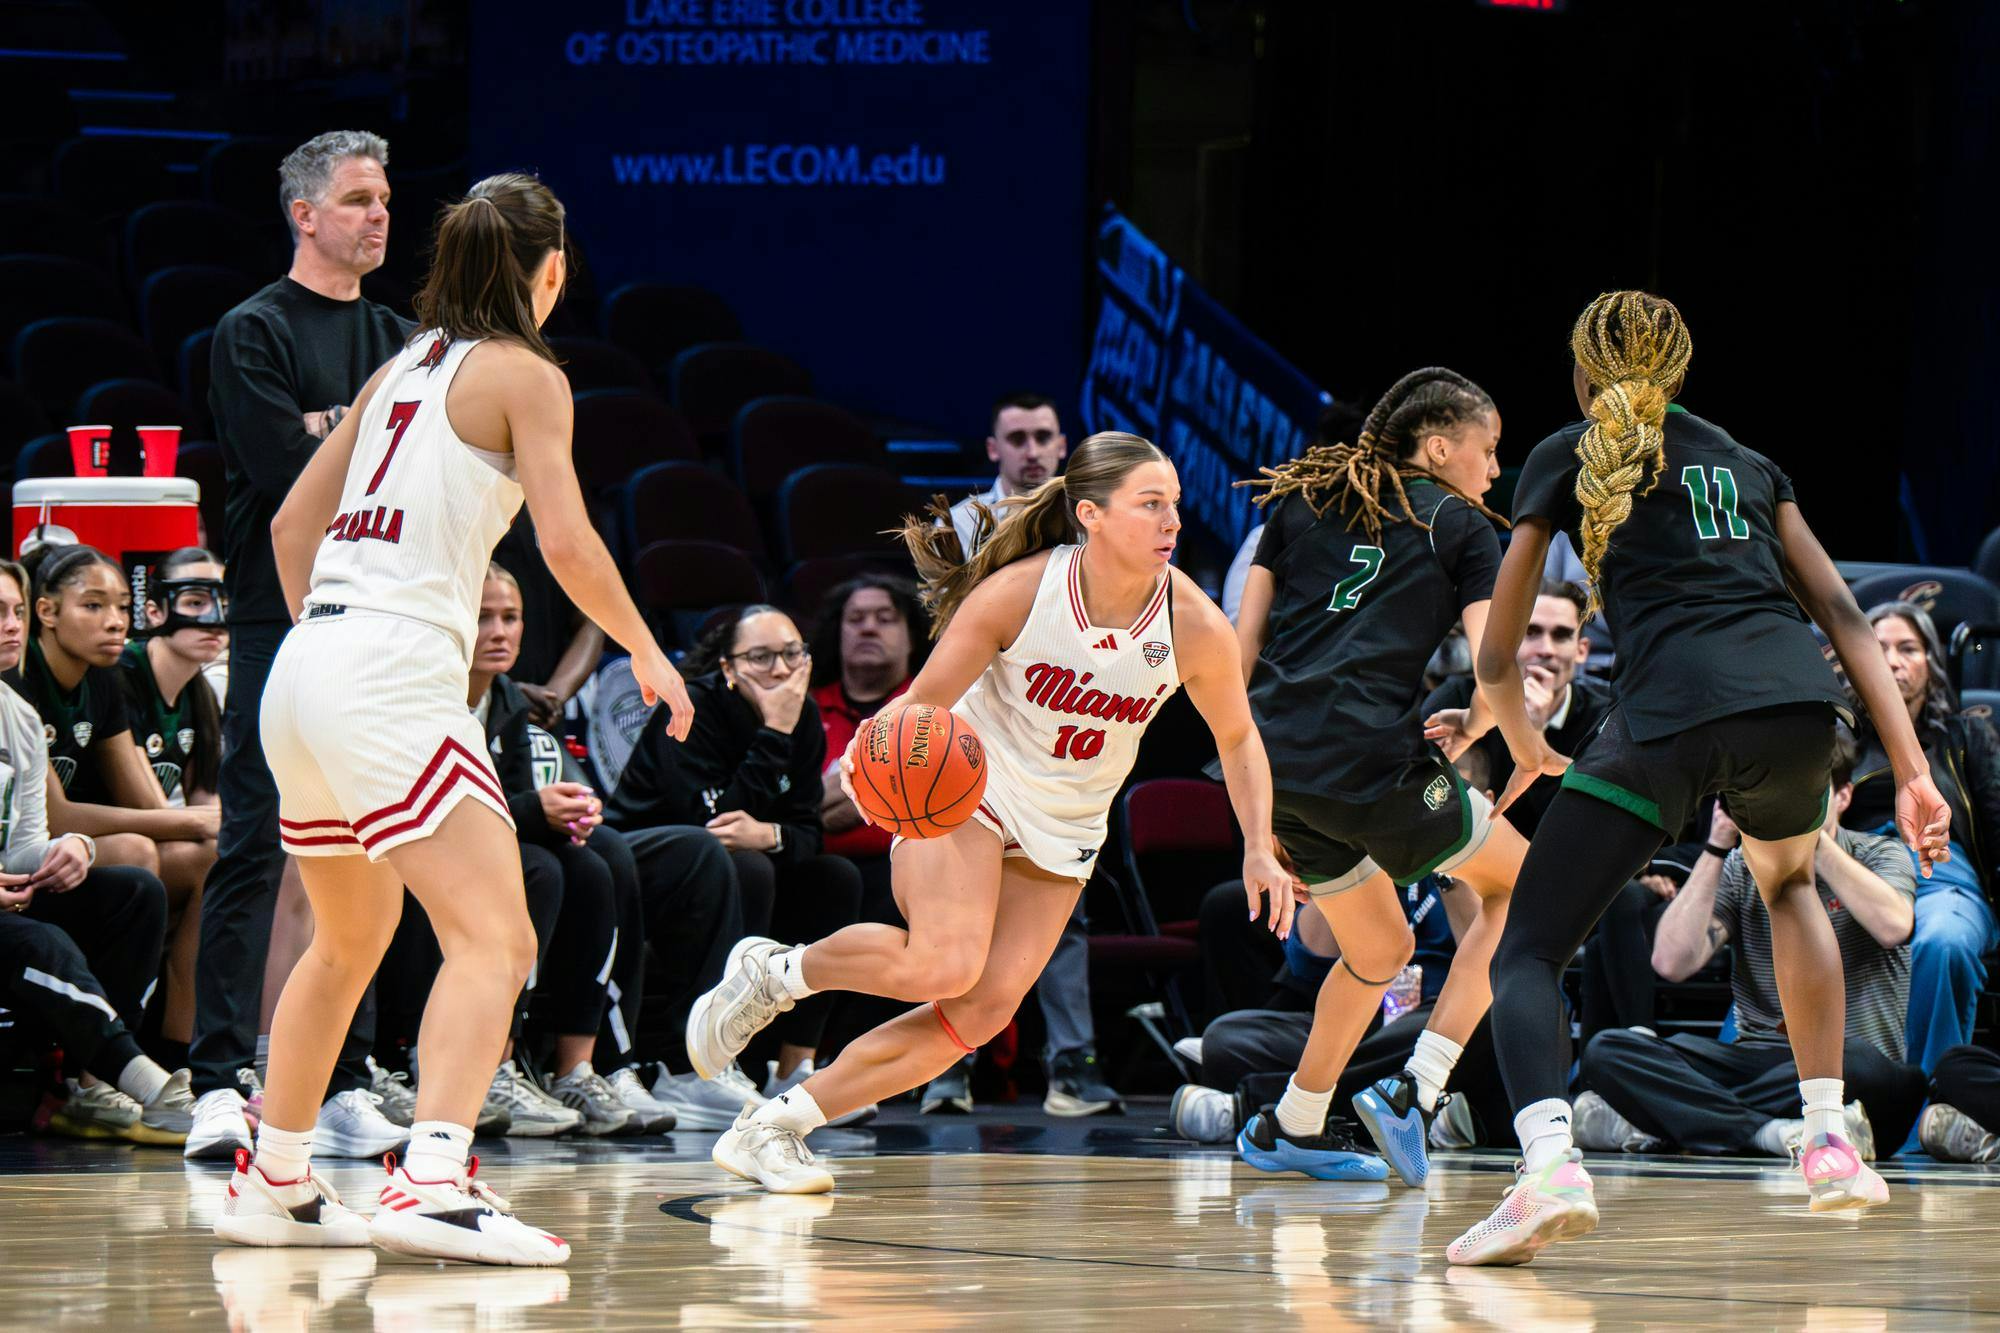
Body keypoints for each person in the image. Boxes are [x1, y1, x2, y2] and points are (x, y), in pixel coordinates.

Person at [211, 172, 692, 1264]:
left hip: (311, 661)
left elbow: (293, 521)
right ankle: (430, 1178)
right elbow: (566, 545)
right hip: (385, 669)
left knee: (349, 937)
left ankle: (276, 1179)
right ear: (551, 271)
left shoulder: (398, 366)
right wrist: (651, 652)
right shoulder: (527, 373)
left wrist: (329, 643)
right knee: (496, 933)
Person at [1450, 290, 1949, 1266]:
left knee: (1527, 950)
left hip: (1668, 715)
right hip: (1795, 710)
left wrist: (1524, 748)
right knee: (1790, 879)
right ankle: (1828, 1141)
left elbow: (1498, 653)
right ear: (1680, 374)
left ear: (1581, 373)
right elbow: (1846, 617)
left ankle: (1547, 1166)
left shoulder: (1562, 452)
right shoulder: (1747, 460)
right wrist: (1915, 768)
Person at [686, 429, 1291, 1193]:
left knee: (980, 1011)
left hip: (1068, 821)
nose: (1173, 521)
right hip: (969, 785)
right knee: (944, 960)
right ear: (1090, 514)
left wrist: (1258, 846)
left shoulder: (1193, 623)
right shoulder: (1022, 591)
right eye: (1150, 504)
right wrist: (877, 768)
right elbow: (922, 707)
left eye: (1174, 503)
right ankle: (777, 971)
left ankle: (775, 1123)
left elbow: (1238, 737)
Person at [1230, 366, 1528, 1188]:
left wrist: (1255, 804)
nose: (1495, 469)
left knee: (1382, 946)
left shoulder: (1297, 504)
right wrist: (1495, 729)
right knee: (1525, 891)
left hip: (1278, 765)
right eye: (1489, 449)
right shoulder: (1463, 525)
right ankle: (1416, 1087)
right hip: (1368, 763)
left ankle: (1290, 1121)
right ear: (1439, 447)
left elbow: (1237, 655)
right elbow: (1493, 659)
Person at [190, 130, 413, 1163]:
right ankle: (217, 1078)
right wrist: (355, 441)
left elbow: (404, 482)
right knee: (253, 843)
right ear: (305, 213)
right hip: (279, 614)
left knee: (366, 849)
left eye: (383, 198)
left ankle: (343, 1082)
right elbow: (291, 473)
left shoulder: (405, 339)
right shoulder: (250, 332)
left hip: (380, 616)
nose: (377, 214)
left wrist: (345, 436)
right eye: (357, 199)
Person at [1577, 728, 1926, 1157]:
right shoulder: (1743, 867)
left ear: (1843, 797)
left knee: (1872, 1070)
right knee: (1609, 1052)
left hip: (1850, 1063)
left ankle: (1679, 1121)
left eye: (1805, 791)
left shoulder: (1878, 854)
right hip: (1757, 1060)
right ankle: (1769, 1133)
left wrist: (1807, 837)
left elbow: (1893, 926)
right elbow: (1671, 962)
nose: (1785, 801)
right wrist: (1716, 846)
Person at [604, 604, 867, 1106]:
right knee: (741, 865)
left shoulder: (803, 718)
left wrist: (772, 834)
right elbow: (715, 822)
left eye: (792, 654)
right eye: (762, 657)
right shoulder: (692, 710)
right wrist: (773, 733)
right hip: (649, 861)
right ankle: (697, 1065)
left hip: (733, 859)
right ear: (727, 668)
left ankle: (795, 1067)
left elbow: (807, 829)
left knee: (835, 877)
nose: (781, 670)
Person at [0, 556, 193, 1144]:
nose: (10, 626)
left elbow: (27, 844)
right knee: (43, 942)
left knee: (134, 891)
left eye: (12, 611)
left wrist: (77, 847)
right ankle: (153, 1086)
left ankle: (93, 1085)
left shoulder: (20, 716)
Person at [14, 546, 221, 1053]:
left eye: (123, 607)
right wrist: (201, 820)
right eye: (93, 606)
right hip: (25, 855)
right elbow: (54, 815)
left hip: (71, 849)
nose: (114, 622)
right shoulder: (18, 680)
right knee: (137, 853)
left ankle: (179, 1050)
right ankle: (100, 1061)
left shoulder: (101, 680)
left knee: (206, 856)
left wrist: (202, 825)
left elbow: (142, 798)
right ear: (47, 613)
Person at [1848, 602, 2000, 1074]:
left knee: (1945, 942)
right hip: (1857, 875)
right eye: (1878, 647)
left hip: (1943, 873)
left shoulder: (1966, 735)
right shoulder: (1835, 736)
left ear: (1930, 666)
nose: (1891, 660)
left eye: (1907, 648)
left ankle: (1933, 1107)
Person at [118, 546, 227, 1065]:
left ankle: (191, 1051)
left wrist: (220, 824)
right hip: (104, 845)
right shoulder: (124, 673)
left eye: (223, 601)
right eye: (195, 600)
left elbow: (205, 798)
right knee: (216, 857)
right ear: (155, 611)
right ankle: (175, 1051)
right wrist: (214, 823)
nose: (214, 618)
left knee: (239, 863)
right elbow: (147, 804)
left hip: (155, 844)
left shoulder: (199, 692)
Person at [946, 393, 1068, 556]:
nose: (1032, 453)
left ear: (1062, 446)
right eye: (1017, 439)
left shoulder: (1090, 518)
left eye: (1043, 437)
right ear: (993, 449)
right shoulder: (960, 523)